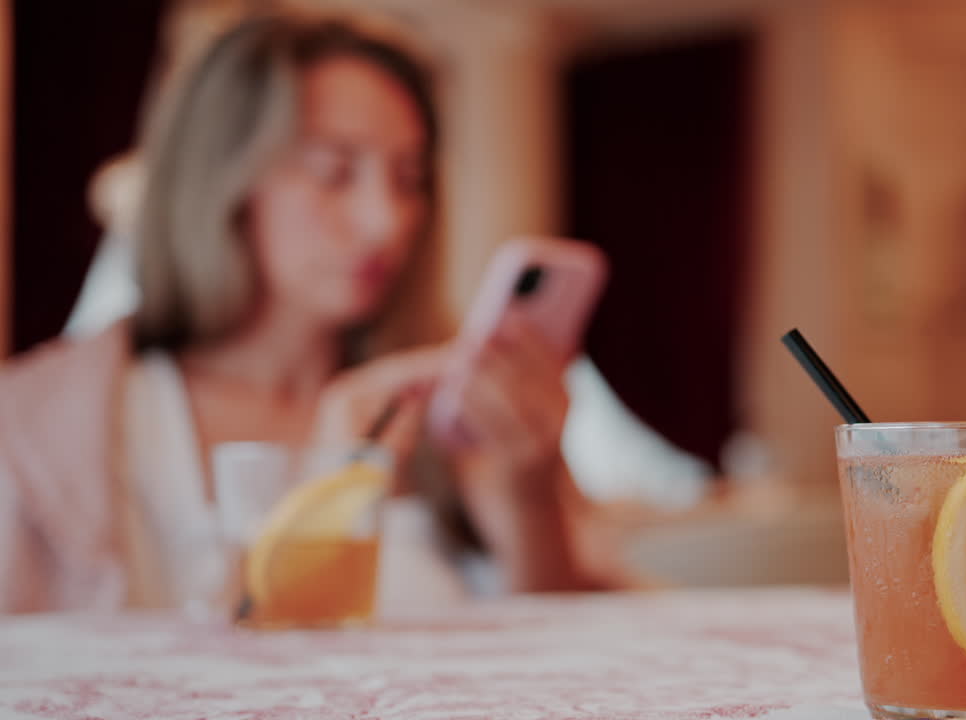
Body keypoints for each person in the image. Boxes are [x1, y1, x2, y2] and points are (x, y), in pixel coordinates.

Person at [0, 10, 603, 614]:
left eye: (409, 178)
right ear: (224, 180)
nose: (386, 222)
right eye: (334, 173)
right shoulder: (59, 433)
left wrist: (529, 508)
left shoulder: (451, 421)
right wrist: (329, 490)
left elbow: (563, 672)